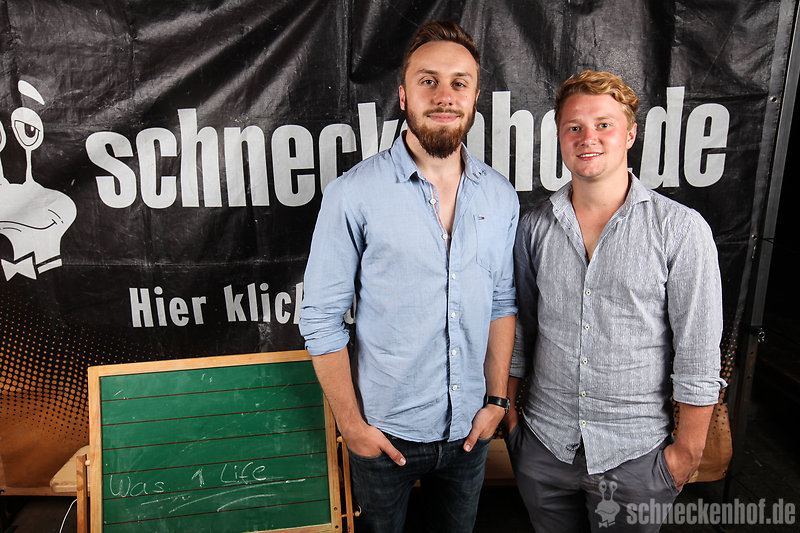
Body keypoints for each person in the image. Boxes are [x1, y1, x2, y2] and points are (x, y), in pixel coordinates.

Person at [299, 20, 519, 533]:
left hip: (470, 433)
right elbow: (321, 319)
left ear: (475, 97)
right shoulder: (354, 194)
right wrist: (352, 427)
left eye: (459, 83)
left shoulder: (500, 195)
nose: (444, 96)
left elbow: (502, 302)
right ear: (403, 95)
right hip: (383, 435)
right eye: (428, 81)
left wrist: (495, 402)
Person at [505, 70, 725, 532]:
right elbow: (519, 331)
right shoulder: (534, 227)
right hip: (544, 446)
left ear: (630, 134)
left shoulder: (680, 229)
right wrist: (510, 422)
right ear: (560, 137)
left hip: (637, 457)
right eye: (574, 127)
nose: (588, 138)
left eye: (604, 124)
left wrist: (686, 454)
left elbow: (698, 353)